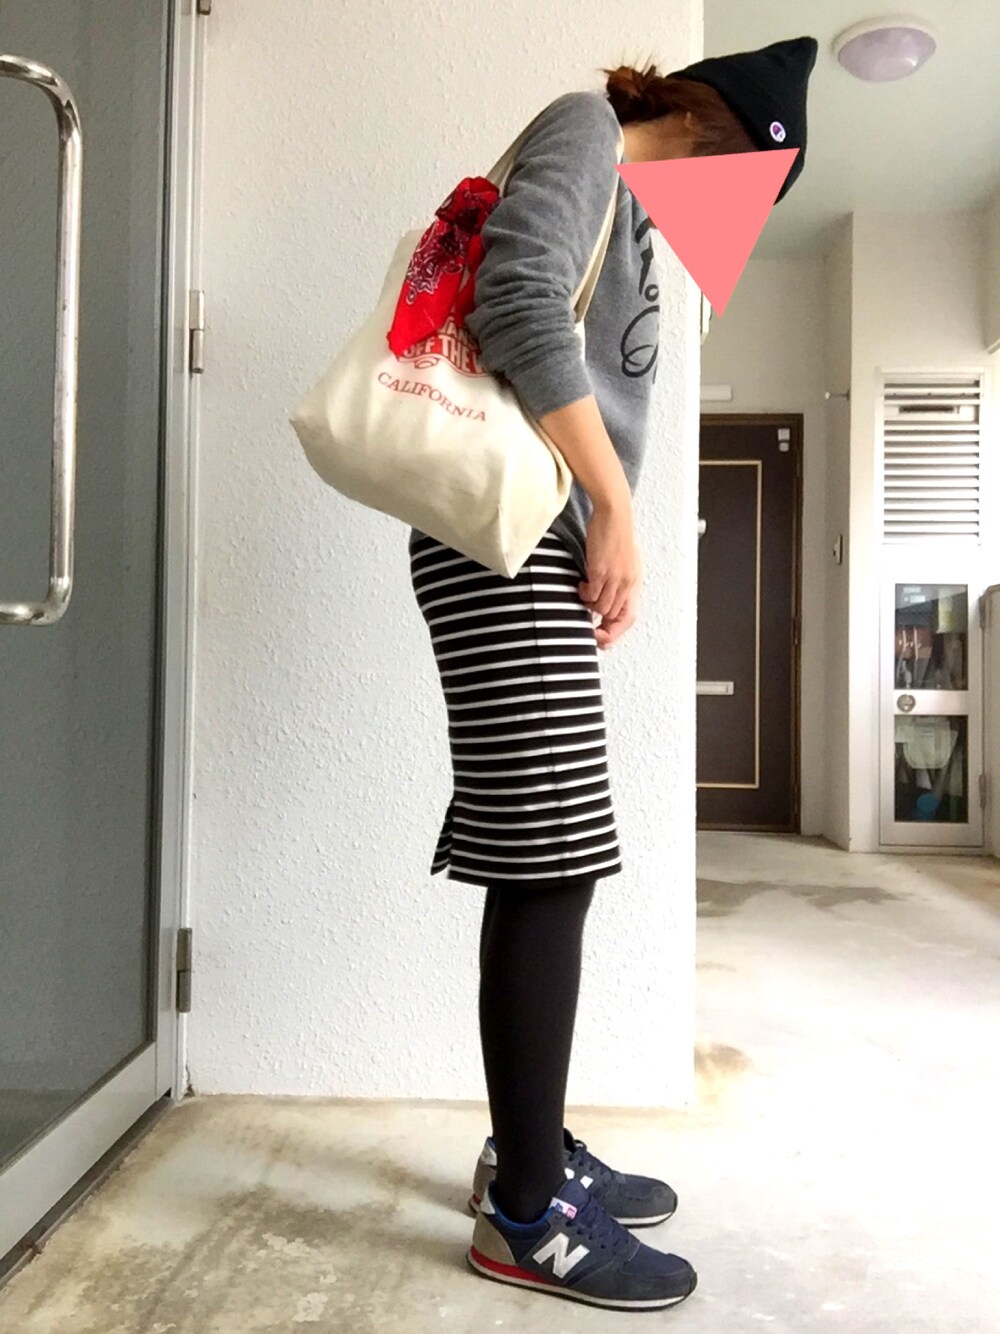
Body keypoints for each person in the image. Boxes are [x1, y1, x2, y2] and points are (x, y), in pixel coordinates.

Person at [408, 36, 818, 1312]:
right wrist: (617, 512)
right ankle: (527, 1217)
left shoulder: (629, 203)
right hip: (507, 535)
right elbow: (517, 301)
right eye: (758, 187)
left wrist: (604, 516)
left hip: (532, 538)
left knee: (549, 852)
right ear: (722, 134)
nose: (740, 218)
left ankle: (522, 1154)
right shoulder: (587, 131)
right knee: (548, 857)